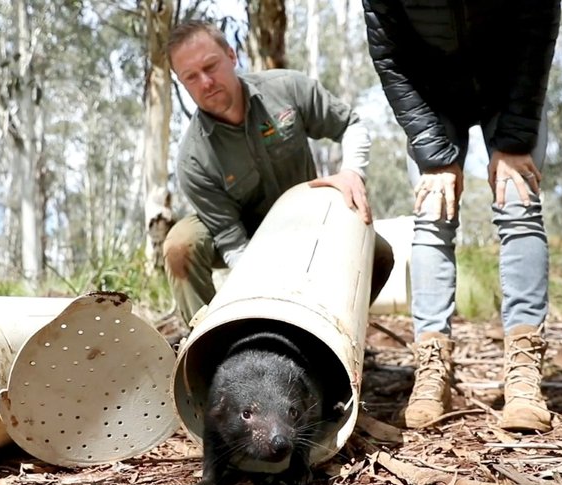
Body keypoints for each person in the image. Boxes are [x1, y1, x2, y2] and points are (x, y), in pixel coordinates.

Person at [362, 1, 561, 432]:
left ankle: (524, 376)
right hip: (433, 98)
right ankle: (433, 372)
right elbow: (389, 56)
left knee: (518, 200)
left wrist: (514, 138)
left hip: (510, 86)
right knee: (432, 212)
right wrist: (433, 156)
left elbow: (538, 24)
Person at [164, 20, 394, 330]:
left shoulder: (287, 89)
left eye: (211, 66)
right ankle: (211, 346)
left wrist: (352, 171)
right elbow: (231, 241)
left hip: (308, 223)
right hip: (245, 240)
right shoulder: (193, 158)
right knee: (181, 244)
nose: (205, 82)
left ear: (232, 56)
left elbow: (350, 125)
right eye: (191, 77)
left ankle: (331, 337)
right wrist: (265, 293)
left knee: (378, 253)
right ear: (181, 81)